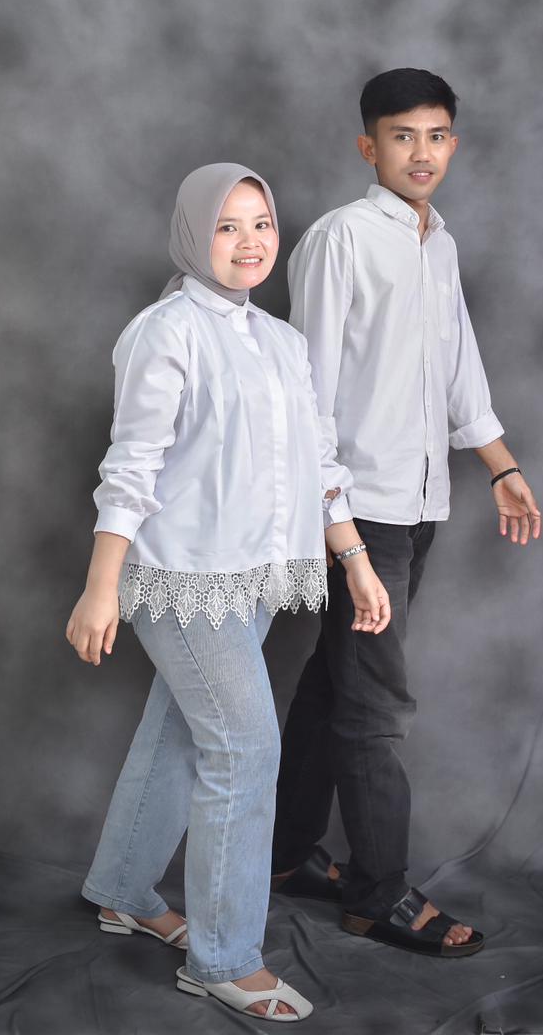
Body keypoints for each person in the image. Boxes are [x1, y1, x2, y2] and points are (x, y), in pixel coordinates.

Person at [65, 162, 390, 1022]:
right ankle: (222, 959)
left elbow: (320, 464)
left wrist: (356, 561)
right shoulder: (163, 332)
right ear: (192, 234)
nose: (250, 242)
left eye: (261, 224)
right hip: (179, 577)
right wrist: (101, 588)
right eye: (227, 226)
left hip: (253, 579)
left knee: (178, 733)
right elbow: (131, 468)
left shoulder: (282, 342)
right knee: (244, 751)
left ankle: (122, 889)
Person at [271, 69, 542, 958]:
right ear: (369, 146)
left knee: (335, 682)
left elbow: (460, 365)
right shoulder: (340, 239)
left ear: (451, 144)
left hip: (422, 504)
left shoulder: (439, 243)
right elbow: (305, 395)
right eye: (401, 136)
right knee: (375, 705)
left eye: (435, 136)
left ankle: (285, 855)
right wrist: (337, 526)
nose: (420, 153)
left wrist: (500, 465)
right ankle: (378, 893)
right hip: (360, 512)